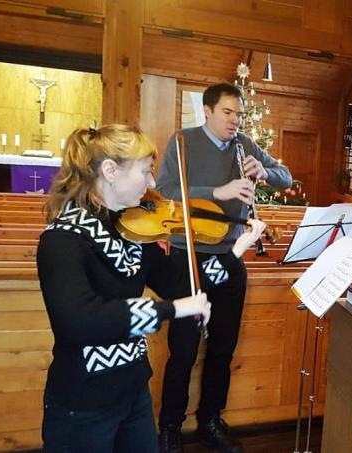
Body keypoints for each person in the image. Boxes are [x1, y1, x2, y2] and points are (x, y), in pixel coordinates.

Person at [37, 125, 265, 452]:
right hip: (82, 404)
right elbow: (79, 320)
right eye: (145, 171)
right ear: (110, 171)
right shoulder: (62, 240)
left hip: (134, 394)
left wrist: (235, 252)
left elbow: (179, 283)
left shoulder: (132, 233)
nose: (152, 184)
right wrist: (172, 310)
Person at [156, 83, 292, 453]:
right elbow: (166, 190)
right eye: (228, 113)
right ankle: (169, 426)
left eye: (239, 114)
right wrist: (218, 192)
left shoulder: (244, 144)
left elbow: (287, 176)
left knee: (222, 347)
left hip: (230, 256)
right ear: (208, 111)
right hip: (189, 255)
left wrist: (264, 171)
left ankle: (210, 421)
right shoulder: (183, 141)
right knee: (183, 348)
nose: (235, 120)